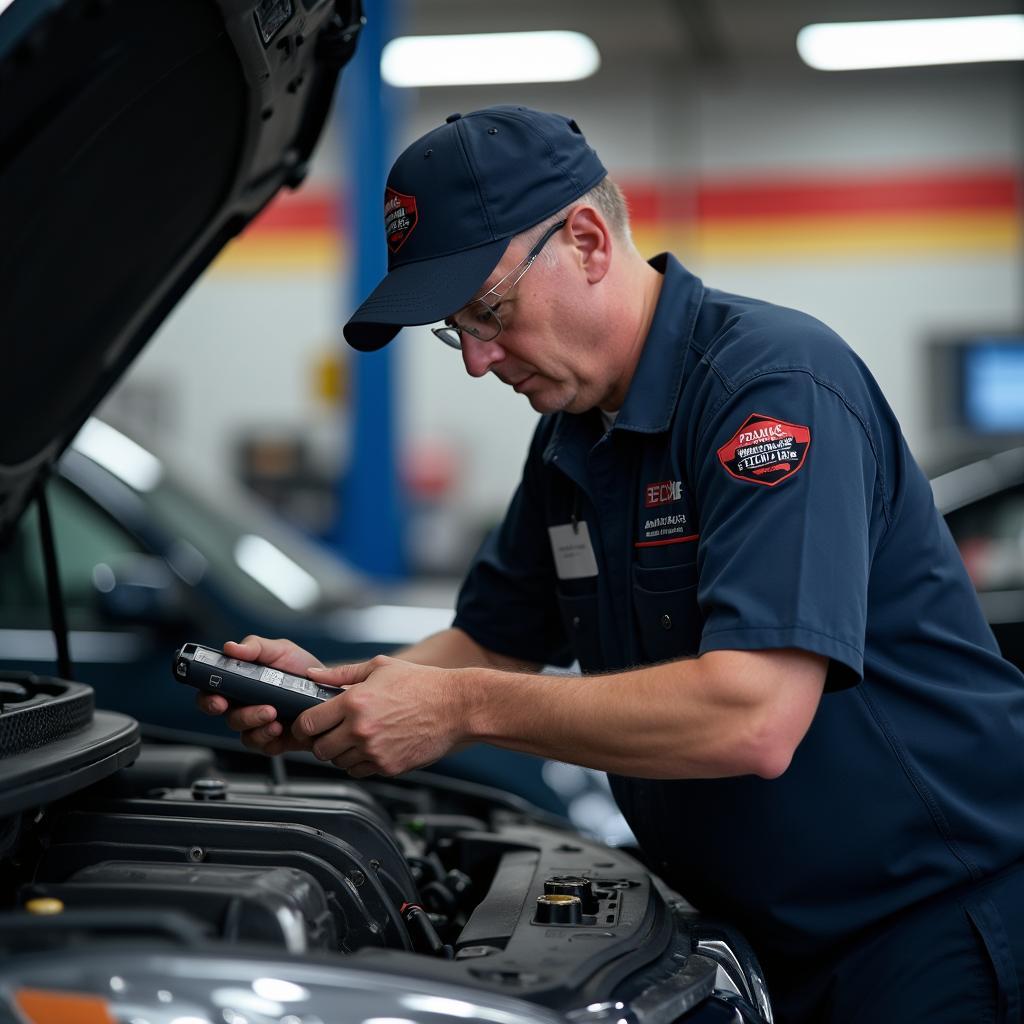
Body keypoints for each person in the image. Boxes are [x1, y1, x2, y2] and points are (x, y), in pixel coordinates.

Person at [199, 106, 1024, 1022]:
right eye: (454, 329)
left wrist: (456, 710)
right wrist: (345, 694)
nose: (477, 361)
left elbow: (753, 717)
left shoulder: (769, 390)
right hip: (763, 937)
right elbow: (491, 644)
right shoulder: (570, 437)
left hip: (931, 934)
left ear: (587, 240)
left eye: (488, 311)